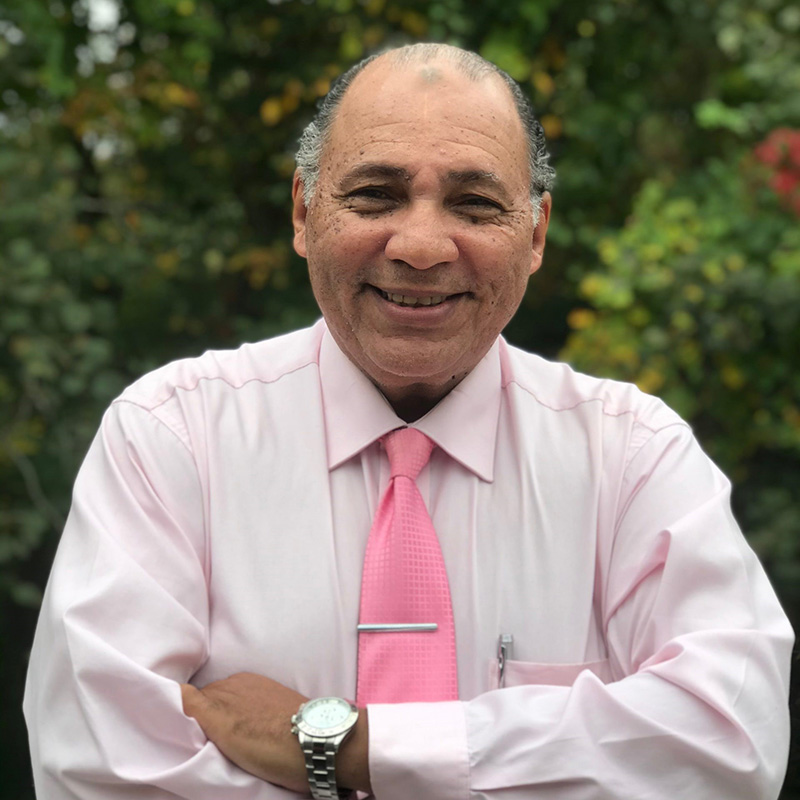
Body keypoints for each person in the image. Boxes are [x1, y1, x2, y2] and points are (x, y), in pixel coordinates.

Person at [24, 43, 792, 800]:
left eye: (475, 204)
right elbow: (99, 771)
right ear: (303, 211)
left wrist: (350, 748)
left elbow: (729, 741)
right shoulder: (171, 438)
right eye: (375, 195)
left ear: (535, 234)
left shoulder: (633, 457)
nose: (421, 247)